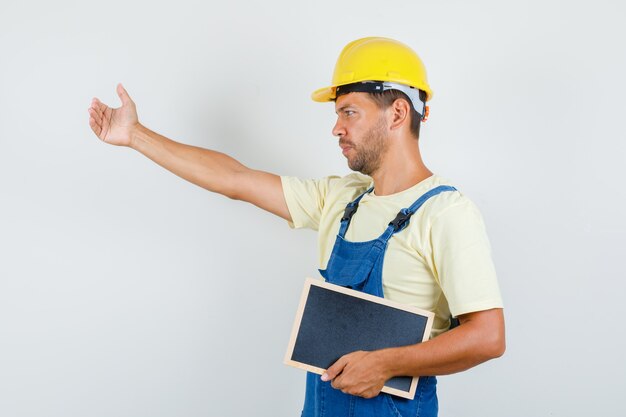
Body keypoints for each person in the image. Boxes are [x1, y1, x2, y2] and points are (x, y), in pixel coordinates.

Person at [88, 37, 505, 417]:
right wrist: (136, 136)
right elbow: (235, 179)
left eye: (349, 112)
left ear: (397, 112)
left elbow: (487, 336)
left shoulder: (447, 212)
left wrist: (384, 364)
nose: (336, 127)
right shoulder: (343, 200)